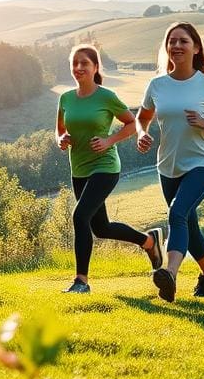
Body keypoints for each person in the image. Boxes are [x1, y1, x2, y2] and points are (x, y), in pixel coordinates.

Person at [136, 22, 204, 302]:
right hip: (167, 167)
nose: (176, 46)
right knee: (189, 225)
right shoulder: (157, 85)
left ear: (196, 48)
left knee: (176, 213)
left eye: (183, 41)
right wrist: (142, 134)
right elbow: (143, 116)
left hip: (202, 164)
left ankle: (170, 273)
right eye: (172, 41)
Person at [56, 45, 164, 293]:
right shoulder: (66, 98)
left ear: (95, 67)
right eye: (75, 63)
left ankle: (81, 282)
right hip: (79, 168)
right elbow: (60, 129)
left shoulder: (106, 97)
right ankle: (148, 241)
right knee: (100, 227)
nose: (79, 68)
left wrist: (108, 141)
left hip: (105, 166)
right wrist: (61, 139)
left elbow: (131, 122)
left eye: (85, 63)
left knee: (79, 216)